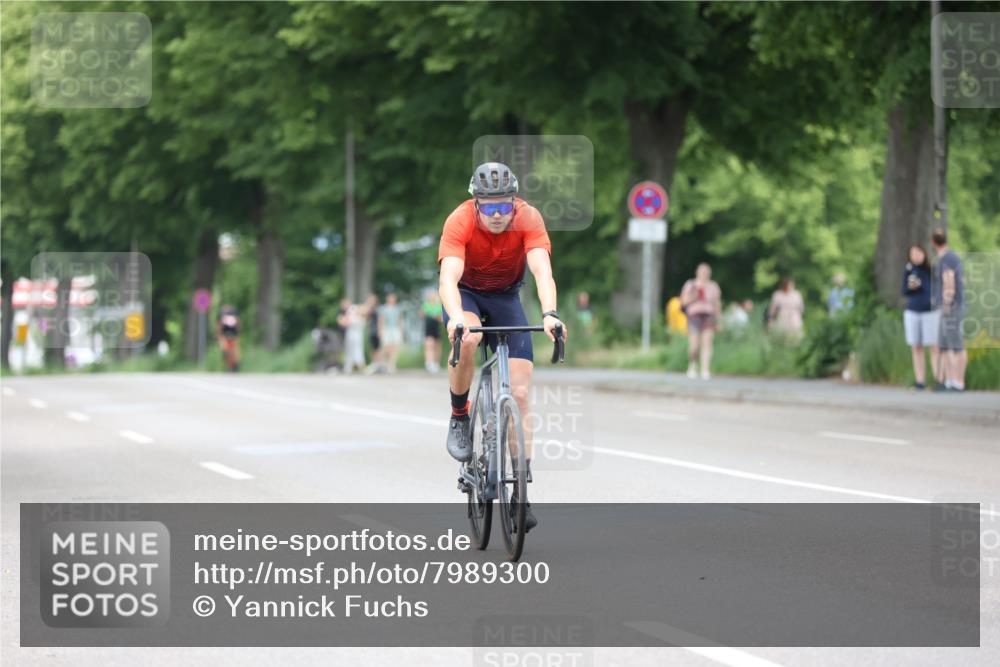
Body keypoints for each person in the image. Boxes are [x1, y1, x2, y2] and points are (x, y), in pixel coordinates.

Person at [439, 161, 566, 533]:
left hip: (507, 296)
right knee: (470, 338)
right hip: (468, 296)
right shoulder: (460, 220)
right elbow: (449, 278)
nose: (497, 214)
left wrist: (550, 313)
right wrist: (455, 316)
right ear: (476, 203)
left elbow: (542, 270)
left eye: (504, 206)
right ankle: (460, 414)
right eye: (489, 207)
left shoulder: (529, 218)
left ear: (515, 202)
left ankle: (520, 491)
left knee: (522, 394)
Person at [931, 228, 966, 392]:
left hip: (951, 307)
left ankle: (957, 382)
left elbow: (949, 282)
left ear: (933, 243)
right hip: (956, 305)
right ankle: (951, 381)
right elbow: (963, 281)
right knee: (947, 345)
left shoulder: (946, 259)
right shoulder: (954, 257)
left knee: (954, 345)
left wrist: (946, 303)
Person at [901, 244, 937, 390]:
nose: (915, 256)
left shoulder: (930, 269)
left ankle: (937, 379)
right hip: (913, 311)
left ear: (924, 254)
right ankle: (920, 381)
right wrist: (911, 287)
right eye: (912, 253)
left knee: (933, 347)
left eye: (918, 253)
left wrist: (921, 284)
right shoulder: (909, 270)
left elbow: (933, 289)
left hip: (929, 311)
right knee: (916, 347)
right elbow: (904, 290)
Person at [680, 263, 722, 379]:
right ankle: (692, 365)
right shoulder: (691, 284)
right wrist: (695, 296)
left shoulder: (713, 286)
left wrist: (719, 320)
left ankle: (705, 369)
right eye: (702, 271)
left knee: (707, 343)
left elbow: (717, 304)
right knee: (694, 344)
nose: (705, 274)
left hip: (709, 315)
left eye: (707, 272)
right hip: (694, 315)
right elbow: (683, 302)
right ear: (697, 272)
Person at [768, 276, 805, 342]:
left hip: (794, 318)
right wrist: (770, 320)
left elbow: (801, 308)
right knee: (782, 337)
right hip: (782, 317)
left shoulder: (797, 294)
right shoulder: (777, 294)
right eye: (789, 285)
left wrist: (798, 315)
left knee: (795, 337)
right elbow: (773, 309)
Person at [378, 292, 404, 373]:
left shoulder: (397, 309)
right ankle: (383, 363)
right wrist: (380, 330)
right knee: (386, 347)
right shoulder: (384, 308)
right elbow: (381, 320)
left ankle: (391, 364)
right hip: (387, 329)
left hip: (395, 329)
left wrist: (401, 330)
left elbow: (400, 320)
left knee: (395, 347)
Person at [422, 290, 443, 372]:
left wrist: (437, 317)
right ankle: (429, 363)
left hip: (436, 327)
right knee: (429, 345)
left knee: (437, 346)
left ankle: (436, 363)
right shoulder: (426, 305)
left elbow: (441, 318)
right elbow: (422, 314)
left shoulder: (439, 306)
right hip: (429, 327)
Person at [215, 304, 241, 372]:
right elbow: (238, 326)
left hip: (227, 336)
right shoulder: (234, 315)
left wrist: (218, 336)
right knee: (232, 350)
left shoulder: (223, 316)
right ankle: (234, 364)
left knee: (226, 350)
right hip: (231, 336)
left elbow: (219, 328)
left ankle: (233, 364)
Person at [364, 293, 383, 374]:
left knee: (377, 348)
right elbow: (366, 317)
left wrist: (380, 330)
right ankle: (375, 363)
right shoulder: (369, 308)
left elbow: (380, 319)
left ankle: (378, 364)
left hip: (376, 330)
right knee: (373, 348)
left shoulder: (377, 309)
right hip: (371, 330)